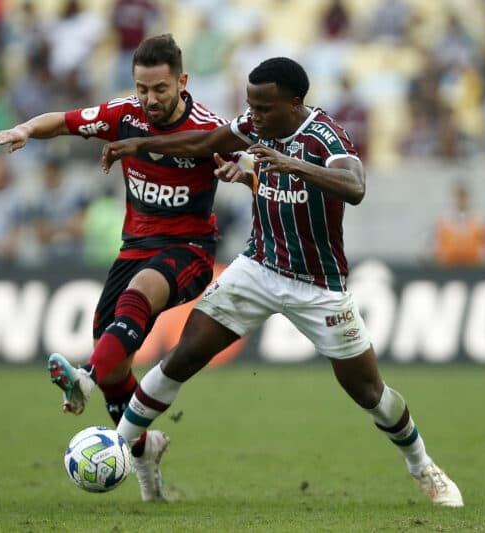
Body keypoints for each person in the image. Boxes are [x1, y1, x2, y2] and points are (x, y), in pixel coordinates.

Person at [95, 57, 464, 507]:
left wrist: (294, 166)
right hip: (257, 267)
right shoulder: (257, 126)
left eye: (265, 108)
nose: (255, 117)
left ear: (294, 103)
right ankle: (116, 448)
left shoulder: (325, 136)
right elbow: (207, 141)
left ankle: (422, 466)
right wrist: (140, 144)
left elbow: (355, 186)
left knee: (369, 393)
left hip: (319, 285)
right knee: (183, 356)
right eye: (251, 106)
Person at [0, 34, 229, 502]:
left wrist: (246, 171)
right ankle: (145, 454)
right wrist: (26, 131)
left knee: (138, 295)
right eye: (142, 88)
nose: (150, 99)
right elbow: (65, 121)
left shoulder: (209, 126)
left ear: (182, 81)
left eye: (160, 88)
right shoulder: (124, 114)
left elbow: (251, 161)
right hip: (134, 246)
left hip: (189, 249)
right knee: (114, 357)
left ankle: (84, 379)